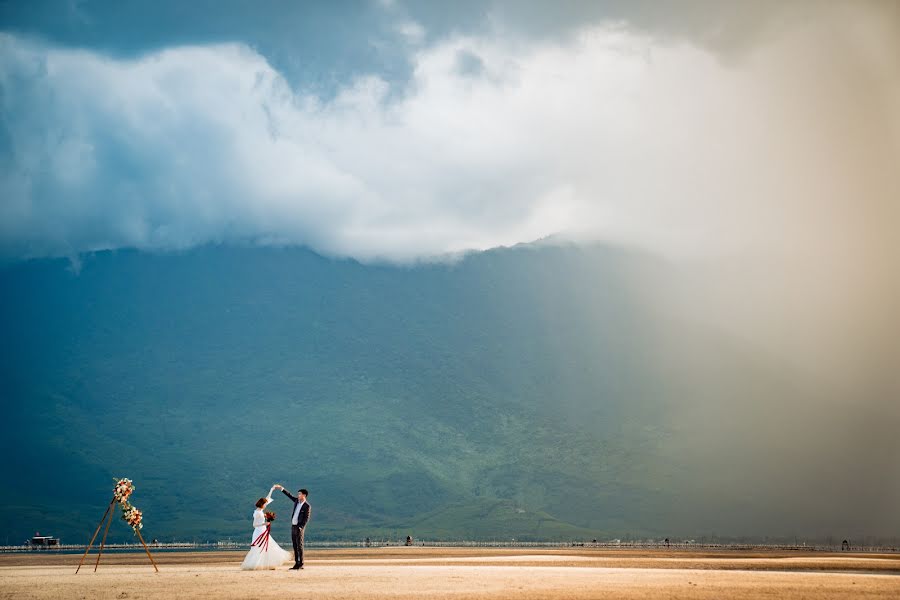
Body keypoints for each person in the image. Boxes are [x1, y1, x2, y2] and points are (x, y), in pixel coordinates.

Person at [240, 485, 292, 570]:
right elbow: (254, 525)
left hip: (263, 530)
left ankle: (268, 564)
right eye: (265, 504)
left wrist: (272, 490)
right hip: (259, 531)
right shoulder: (257, 513)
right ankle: (257, 564)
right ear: (261, 504)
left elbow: (267, 498)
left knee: (268, 546)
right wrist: (265, 524)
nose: (266, 505)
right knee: (260, 547)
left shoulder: (260, 511)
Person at [275, 484, 311, 570]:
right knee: (295, 545)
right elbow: (289, 495)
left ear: (304, 495)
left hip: (299, 528)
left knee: (300, 546)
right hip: (293, 526)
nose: (298, 495)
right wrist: (281, 489)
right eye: (298, 494)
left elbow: (306, 518)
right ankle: (296, 563)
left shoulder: (307, 506)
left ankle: (301, 563)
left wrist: (301, 527)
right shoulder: (296, 501)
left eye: (300, 494)